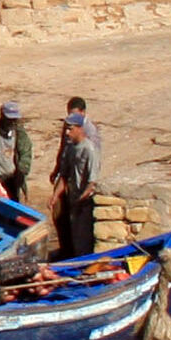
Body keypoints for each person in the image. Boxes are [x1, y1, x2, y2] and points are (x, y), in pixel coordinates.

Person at [50, 98, 101, 257]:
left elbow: (92, 182)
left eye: (70, 129)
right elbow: (65, 174)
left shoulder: (89, 149)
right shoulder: (72, 148)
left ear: (79, 128)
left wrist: (81, 201)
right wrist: (55, 195)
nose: (66, 132)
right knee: (69, 231)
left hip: (83, 203)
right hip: (73, 199)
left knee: (83, 240)